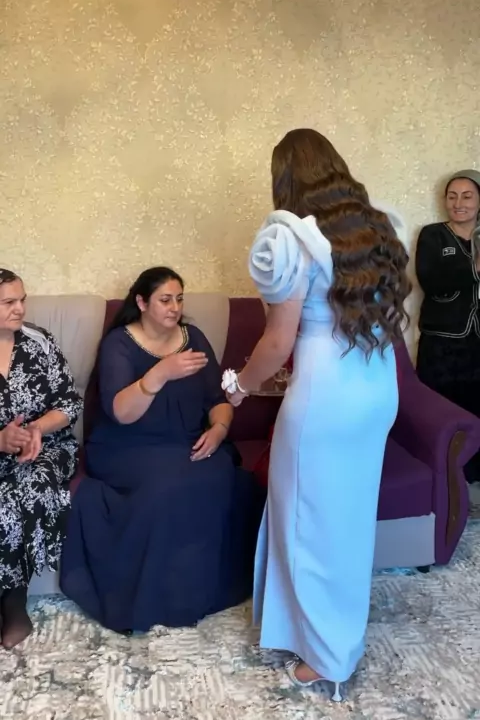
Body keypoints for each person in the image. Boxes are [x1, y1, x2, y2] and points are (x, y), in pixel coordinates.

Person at [223, 129, 410, 701]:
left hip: (325, 399)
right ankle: (311, 632)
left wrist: (238, 387)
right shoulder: (378, 229)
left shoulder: (291, 239)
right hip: (376, 388)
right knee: (345, 521)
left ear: (286, 177)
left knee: (307, 521)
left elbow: (277, 342)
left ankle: (327, 655)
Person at [60, 266, 262, 633]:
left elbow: (217, 400)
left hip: (184, 440)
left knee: (221, 476)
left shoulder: (193, 337)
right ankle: (154, 599)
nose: (175, 307)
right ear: (142, 302)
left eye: (179, 299)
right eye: (165, 300)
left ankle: (198, 591)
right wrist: (161, 373)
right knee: (168, 487)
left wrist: (219, 429)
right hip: (126, 447)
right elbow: (122, 412)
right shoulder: (120, 343)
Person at [0, 268, 81, 649]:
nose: (20, 309)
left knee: (23, 488)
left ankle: (14, 604)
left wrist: (36, 429)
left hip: (47, 447)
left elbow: (69, 403)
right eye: (8, 302)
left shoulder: (39, 342)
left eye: (22, 300)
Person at [416, 169, 480, 482]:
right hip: (441, 344)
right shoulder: (433, 235)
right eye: (452, 196)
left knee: (476, 413)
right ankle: (442, 482)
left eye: (467, 196)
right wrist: (474, 266)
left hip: (476, 344)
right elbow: (432, 281)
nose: (459, 203)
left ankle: (473, 483)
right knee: (439, 414)